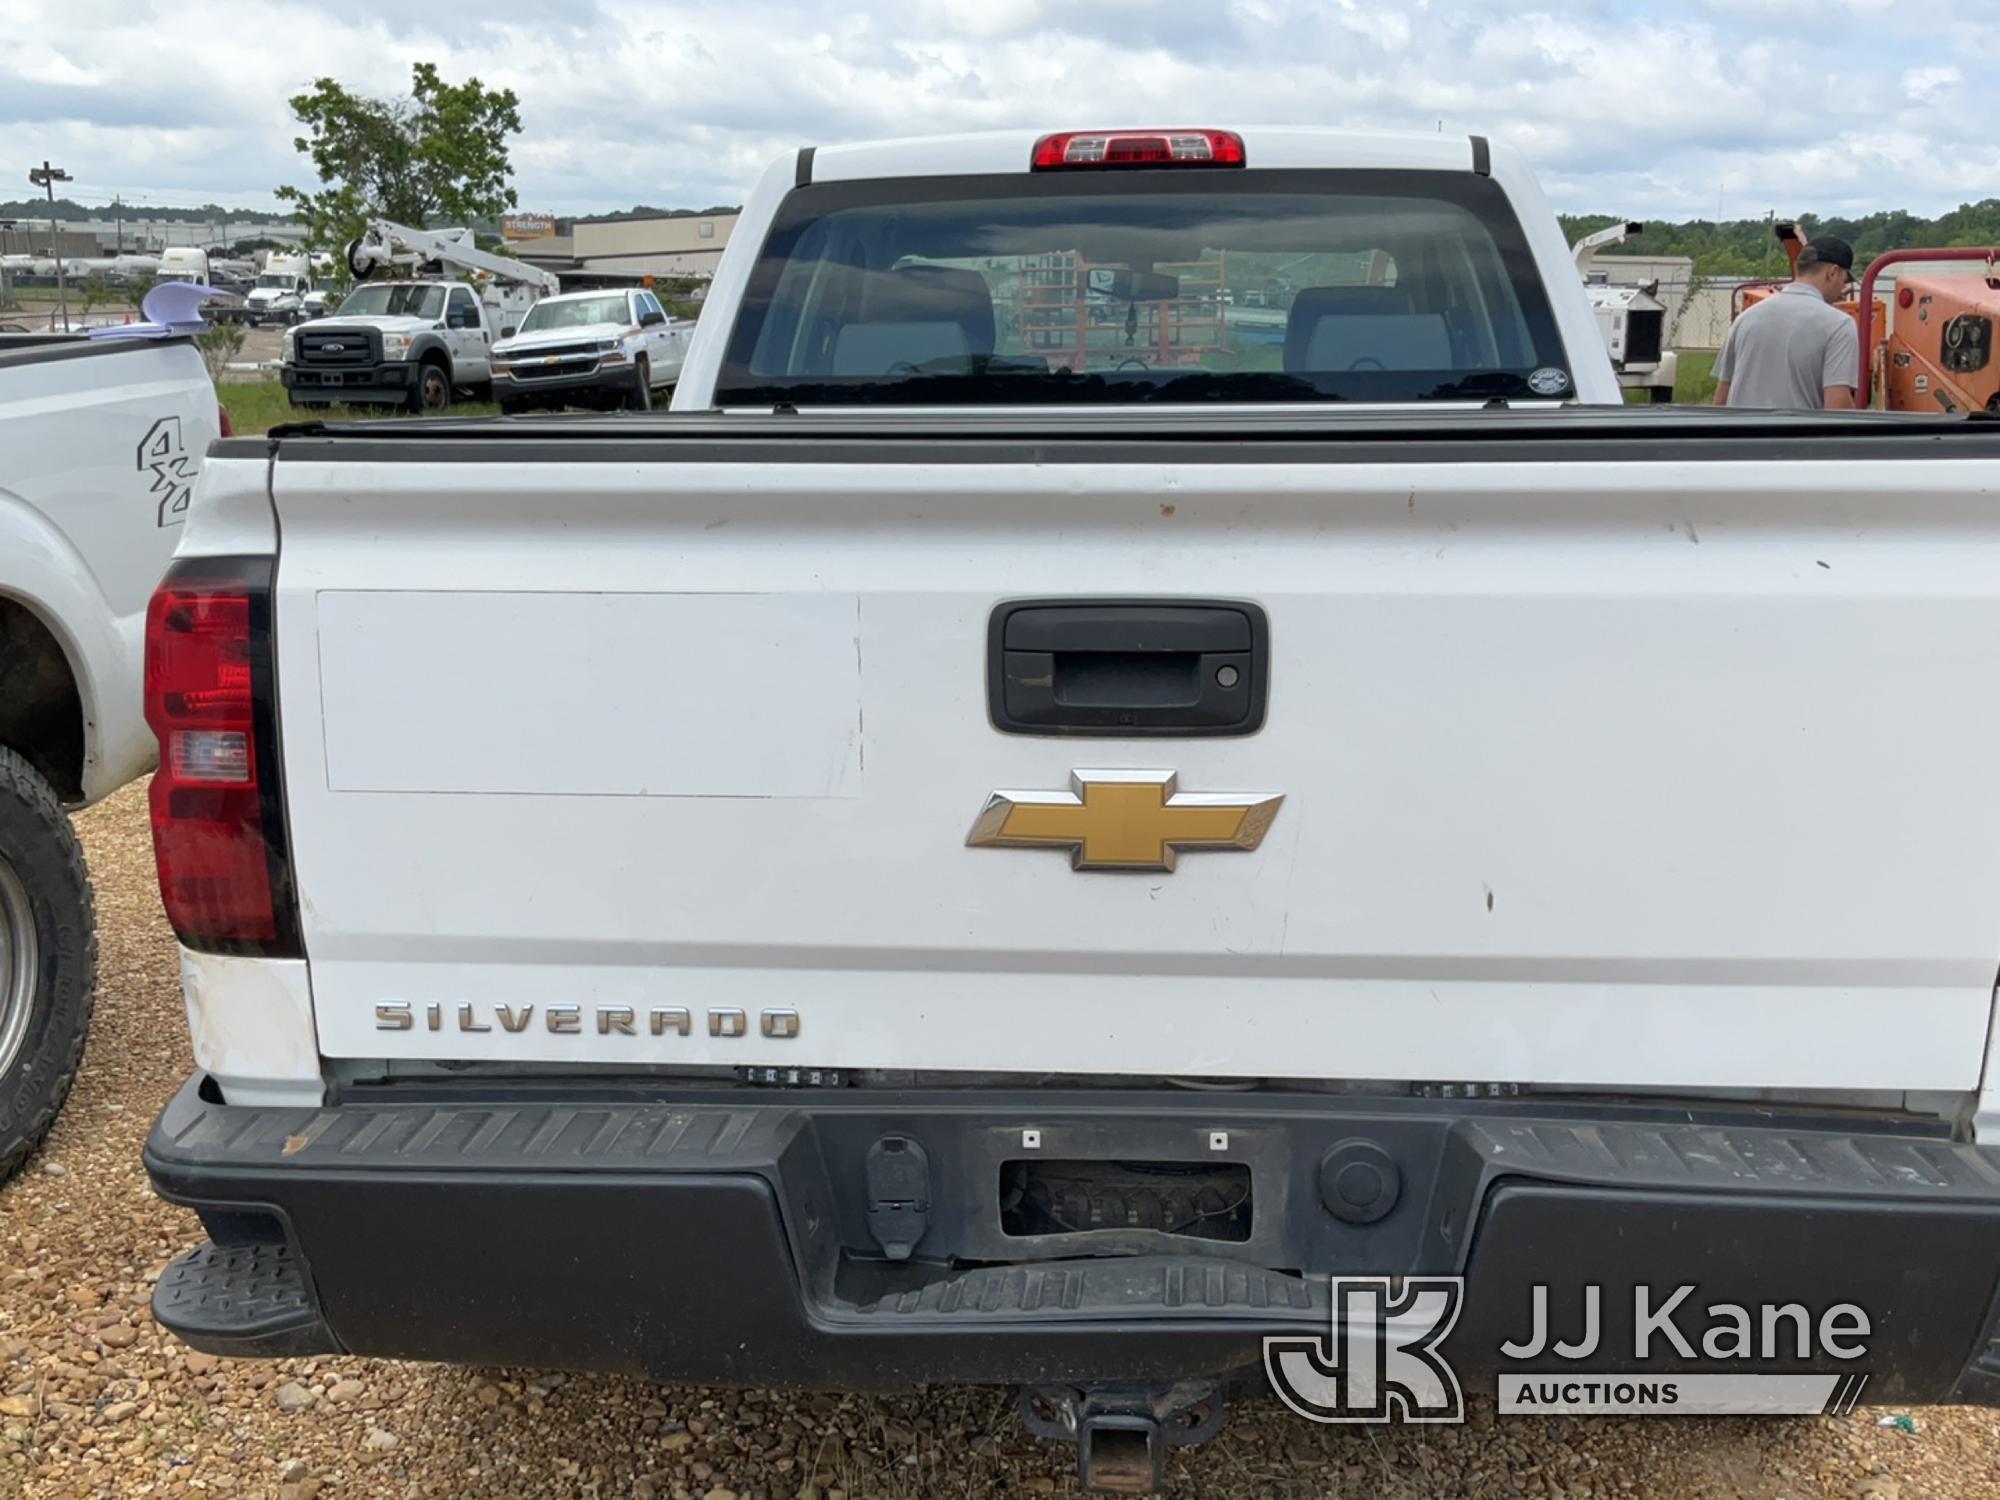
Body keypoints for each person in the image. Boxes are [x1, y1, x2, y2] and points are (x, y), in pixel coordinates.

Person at [1713, 237, 1861, 409]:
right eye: (1845, 280)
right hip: (1797, 435)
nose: (1843, 288)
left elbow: (1722, 397)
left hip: (1741, 434)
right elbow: (1837, 405)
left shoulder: (1745, 318)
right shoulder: (1839, 325)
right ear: (1832, 273)